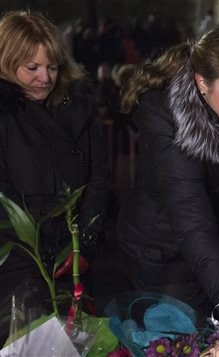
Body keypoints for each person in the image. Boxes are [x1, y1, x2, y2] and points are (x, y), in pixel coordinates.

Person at [116, 27, 219, 316]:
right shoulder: (171, 128)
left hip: (206, 244)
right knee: (180, 336)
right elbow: (191, 217)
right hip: (159, 251)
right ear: (202, 83)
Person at [0, 10, 109, 305]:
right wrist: (43, 250)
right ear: (7, 64)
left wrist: (84, 246)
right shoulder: (6, 115)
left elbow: (98, 179)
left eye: (52, 67)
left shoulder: (77, 107)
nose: (44, 78)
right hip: (19, 262)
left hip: (74, 258)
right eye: (32, 67)